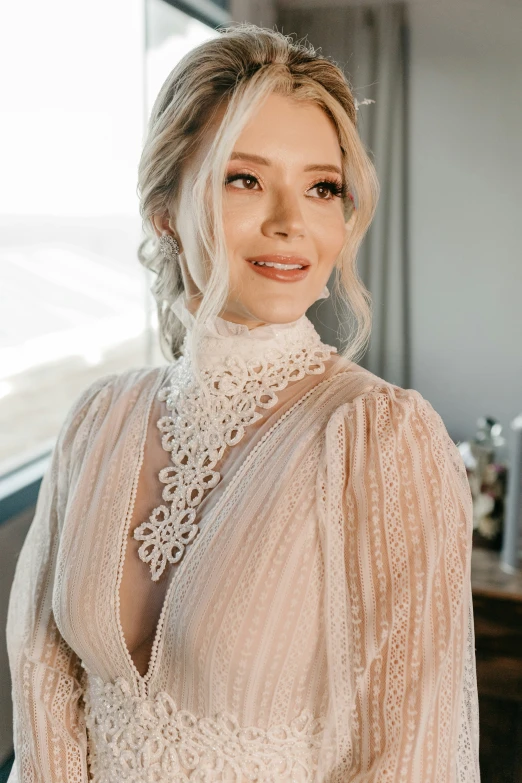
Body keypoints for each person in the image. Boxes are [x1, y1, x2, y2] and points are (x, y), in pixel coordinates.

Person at [5, 23, 480, 783]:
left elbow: (409, 756)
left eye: (323, 187)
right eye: (245, 179)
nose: (292, 221)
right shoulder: (98, 421)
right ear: (165, 207)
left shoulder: (379, 439)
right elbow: (45, 687)